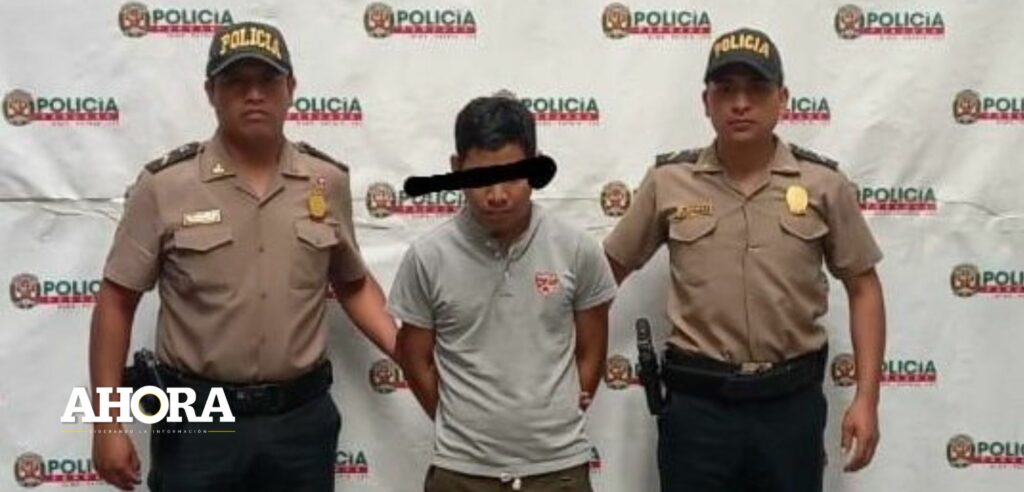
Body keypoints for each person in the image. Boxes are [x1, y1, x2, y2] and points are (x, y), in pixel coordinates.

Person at [88, 21, 398, 492]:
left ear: (291, 89)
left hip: (299, 423)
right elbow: (116, 301)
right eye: (236, 81)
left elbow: (352, 284)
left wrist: (411, 353)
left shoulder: (326, 181)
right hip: (198, 424)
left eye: (268, 80)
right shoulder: (165, 186)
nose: (254, 94)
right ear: (211, 92)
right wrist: (107, 423)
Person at [602, 27, 887, 491]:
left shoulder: (823, 185)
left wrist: (867, 399)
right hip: (697, 411)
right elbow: (604, 276)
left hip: (789, 409)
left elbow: (864, 287)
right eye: (726, 90)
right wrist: (573, 360)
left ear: (782, 99)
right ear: (706, 102)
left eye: (756, 89)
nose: (740, 103)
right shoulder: (668, 182)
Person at [391, 96, 616, 492]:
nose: (496, 195)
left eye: (512, 176)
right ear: (456, 169)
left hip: (559, 470)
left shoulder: (577, 249)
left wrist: (556, 417)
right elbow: (414, 357)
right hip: (460, 472)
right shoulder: (428, 257)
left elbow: (592, 350)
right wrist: (459, 425)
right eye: (481, 178)